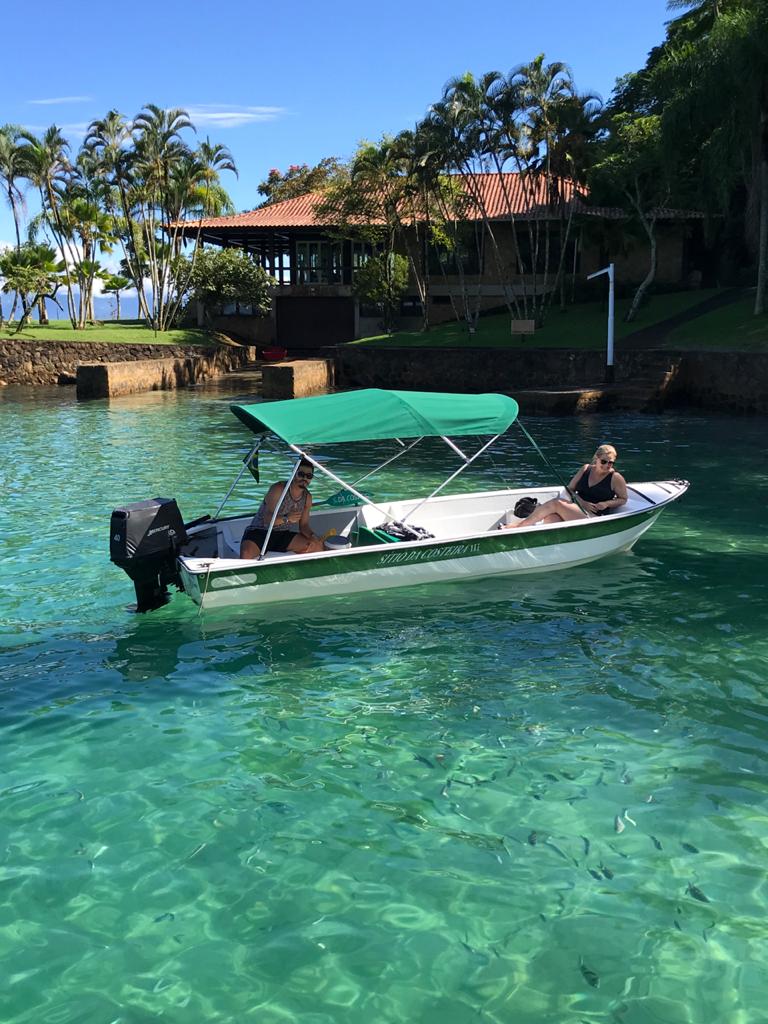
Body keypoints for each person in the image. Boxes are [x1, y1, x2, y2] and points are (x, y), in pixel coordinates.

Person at [508, 444, 628, 528]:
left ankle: (518, 526)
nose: (607, 465)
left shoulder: (616, 478)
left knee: (557, 503)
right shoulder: (585, 469)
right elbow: (570, 489)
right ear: (596, 459)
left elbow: (623, 499)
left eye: (611, 462)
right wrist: (581, 502)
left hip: (595, 517)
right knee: (551, 518)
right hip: (578, 509)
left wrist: (607, 504)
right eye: (604, 461)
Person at [240, 459, 325, 558]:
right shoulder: (278, 489)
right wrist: (287, 518)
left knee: (317, 547)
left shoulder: (307, 498)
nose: (304, 479)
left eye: (309, 476)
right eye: (301, 474)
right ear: (294, 473)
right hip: (260, 531)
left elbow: (304, 526)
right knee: (246, 554)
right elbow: (267, 519)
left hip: (282, 534)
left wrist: (313, 537)